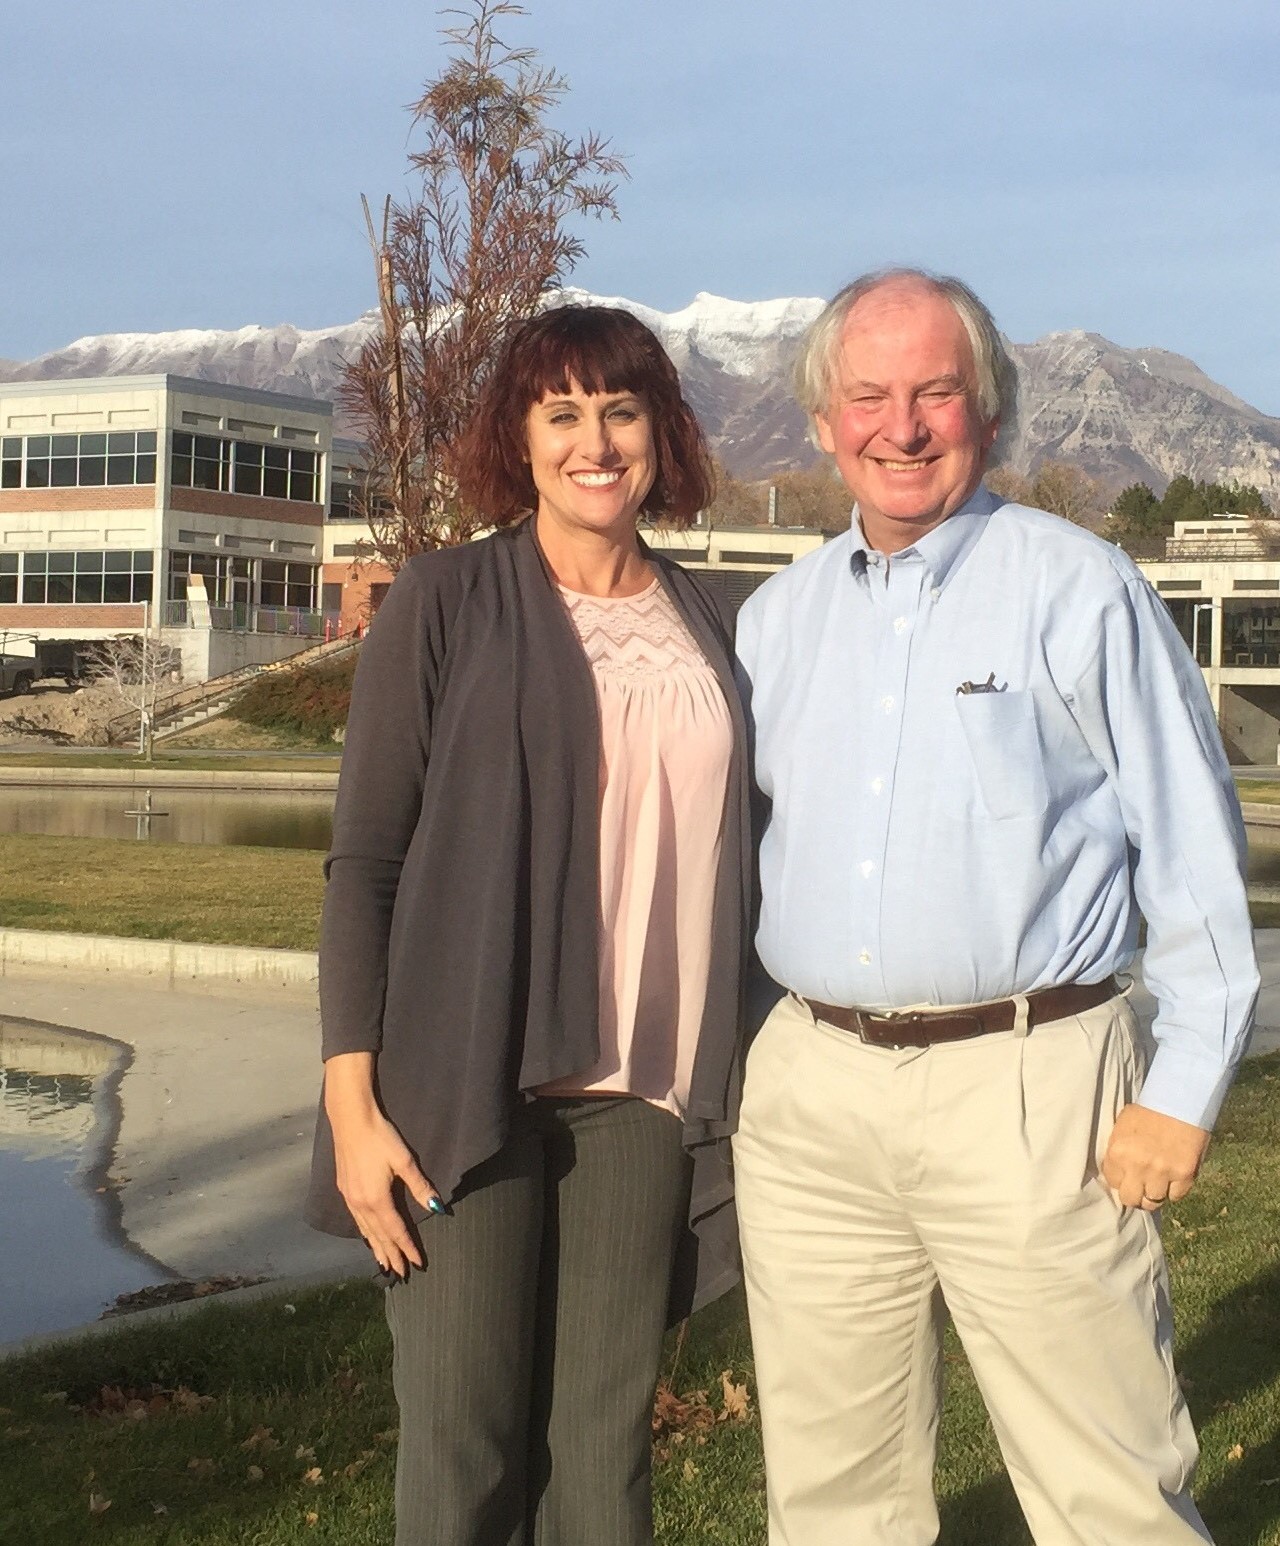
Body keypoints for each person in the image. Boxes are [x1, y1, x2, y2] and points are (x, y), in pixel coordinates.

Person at [732, 269, 1261, 1545]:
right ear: (820, 419)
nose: (899, 426)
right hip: (813, 1099)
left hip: (1030, 1088)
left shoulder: (1078, 590)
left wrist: (1181, 1090)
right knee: (830, 1499)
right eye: (866, 395)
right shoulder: (775, 622)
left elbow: (1191, 853)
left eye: (934, 393)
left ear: (988, 411)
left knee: (1106, 1489)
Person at [305, 304, 754, 1546]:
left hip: (643, 1095)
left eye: (620, 410)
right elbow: (365, 865)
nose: (594, 442)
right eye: (561, 412)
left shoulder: (718, 619)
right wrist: (353, 1106)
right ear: (520, 434)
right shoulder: (446, 600)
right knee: (464, 1451)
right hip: (461, 1092)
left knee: (601, 1461)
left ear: (661, 431)